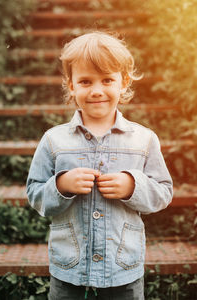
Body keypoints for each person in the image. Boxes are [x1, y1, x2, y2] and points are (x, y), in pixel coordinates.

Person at [26, 31, 173, 300]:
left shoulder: (143, 140)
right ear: (71, 85)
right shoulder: (53, 140)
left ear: (123, 82)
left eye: (107, 80)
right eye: (85, 81)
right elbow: (35, 193)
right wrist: (61, 185)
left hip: (122, 267)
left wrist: (133, 186)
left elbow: (163, 191)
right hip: (69, 267)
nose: (96, 90)